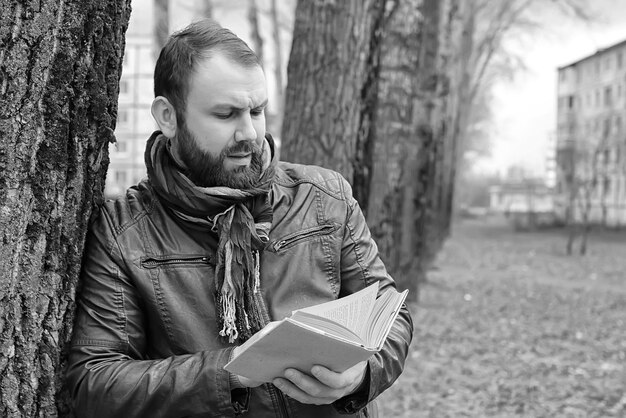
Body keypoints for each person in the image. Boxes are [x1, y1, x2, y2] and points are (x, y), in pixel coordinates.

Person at [66, 18, 413, 418]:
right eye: (227, 114)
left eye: (257, 110)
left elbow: (390, 313)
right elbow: (95, 382)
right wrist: (228, 371)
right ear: (167, 116)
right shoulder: (124, 232)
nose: (250, 132)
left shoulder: (324, 197)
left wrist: (361, 375)